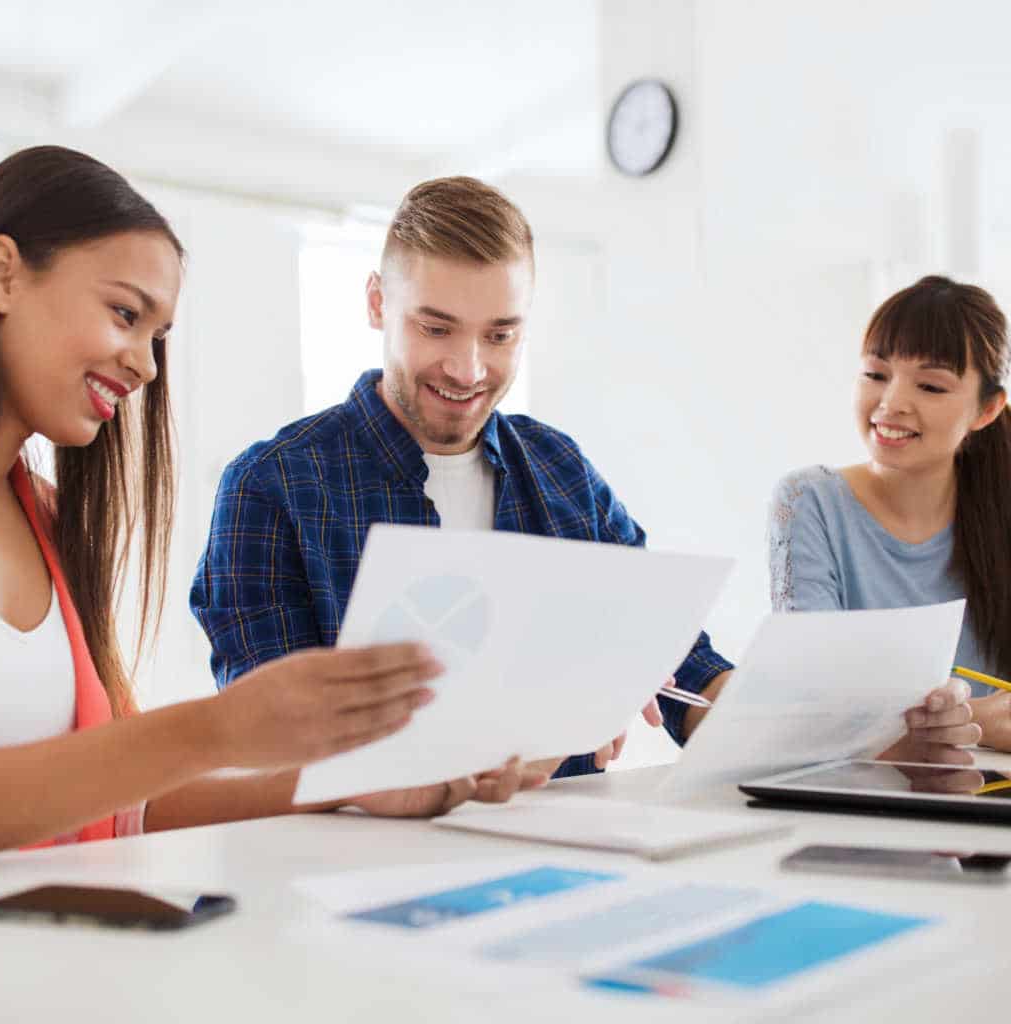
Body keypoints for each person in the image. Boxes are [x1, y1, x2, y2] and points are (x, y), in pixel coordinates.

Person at [0, 146, 531, 855]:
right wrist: (214, 730)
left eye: (158, 336)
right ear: (2, 274)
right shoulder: (274, 480)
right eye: (124, 313)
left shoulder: (51, 521)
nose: (146, 365)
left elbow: (123, 808)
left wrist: (345, 785)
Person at [191, 175, 736, 792]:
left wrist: (768, 722)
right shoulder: (271, 488)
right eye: (436, 328)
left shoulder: (560, 467)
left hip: (569, 839)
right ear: (378, 303)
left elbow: (678, 656)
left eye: (499, 335)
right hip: (361, 849)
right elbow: (269, 747)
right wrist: (526, 736)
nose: (468, 369)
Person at [768, 275, 1009, 759]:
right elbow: (813, 709)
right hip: (862, 791)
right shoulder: (808, 501)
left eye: (930, 386)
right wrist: (977, 720)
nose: (891, 403)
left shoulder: (1000, 508)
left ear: (986, 410)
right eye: (875, 375)